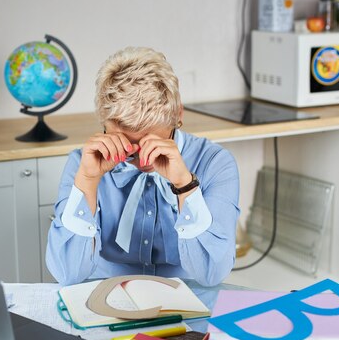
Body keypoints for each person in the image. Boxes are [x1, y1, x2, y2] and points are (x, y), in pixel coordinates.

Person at [46, 46, 240, 287]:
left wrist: (185, 186)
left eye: (154, 143)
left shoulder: (215, 163)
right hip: (107, 290)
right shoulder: (83, 163)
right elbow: (67, 274)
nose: (143, 161)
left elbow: (212, 275)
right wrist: (87, 181)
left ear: (178, 114)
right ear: (103, 122)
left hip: (188, 292)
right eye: (127, 146)